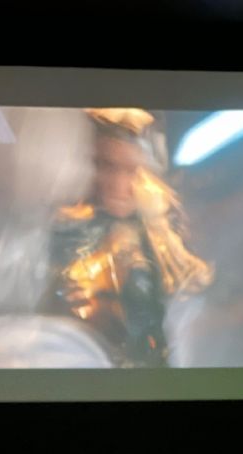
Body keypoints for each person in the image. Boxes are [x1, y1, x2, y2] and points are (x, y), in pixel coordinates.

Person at [42, 109, 213, 366]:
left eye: (130, 170)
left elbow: (182, 309)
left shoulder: (160, 231)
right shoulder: (62, 230)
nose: (118, 183)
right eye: (106, 166)